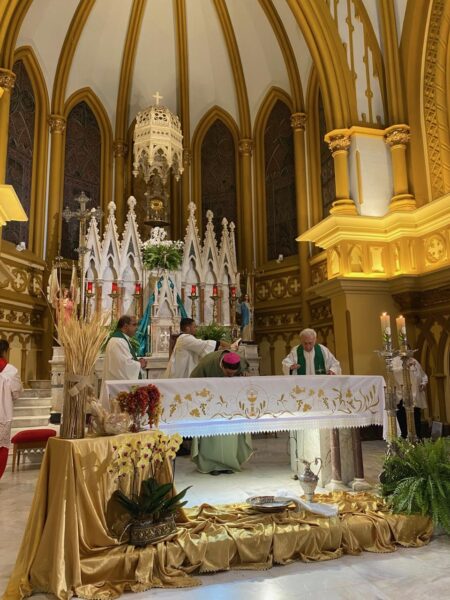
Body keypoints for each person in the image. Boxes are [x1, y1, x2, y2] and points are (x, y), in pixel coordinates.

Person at [282, 328, 341, 478]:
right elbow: (285, 363)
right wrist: (290, 367)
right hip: (302, 395)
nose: (308, 346)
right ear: (301, 341)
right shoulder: (296, 351)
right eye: (305, 343)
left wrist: (332, 371)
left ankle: (319, 453)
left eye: (310, 343)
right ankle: (300, 459)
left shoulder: (323, 350)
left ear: (315, 340)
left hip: (320, 394)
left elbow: (335, 364)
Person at [190, 350, 253, 475]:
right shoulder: (206, 364)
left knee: (230, 434)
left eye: (233, 374)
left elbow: (246, 373)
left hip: (231, 403)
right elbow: (193, 382)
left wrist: (244, 375)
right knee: (213, 435)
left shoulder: (241, 362)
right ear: (222, 366)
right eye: (228, 373)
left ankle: (230, 463)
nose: (230, 377)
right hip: (210, 403)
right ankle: (211, 465)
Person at [163, 317, 230, 379]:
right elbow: (204, 345)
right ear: (187, 328)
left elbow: (201, 350)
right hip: (180, 375)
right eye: (194, 327)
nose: (196, 329)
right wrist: (222, 343)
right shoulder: (185, 338)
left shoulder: (184, 338)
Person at [102, 315, 146, 390]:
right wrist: (139, 364)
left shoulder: (121, 339)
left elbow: (123, 361)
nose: (137, 328)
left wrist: (137, 362)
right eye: (134, 325)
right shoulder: (118, 341)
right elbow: (124, 365)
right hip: (118, 388)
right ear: (125, 326)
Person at [0, 339, 23, 478]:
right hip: (3, 414)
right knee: (2, 448)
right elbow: (16, 393)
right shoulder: (11, 371)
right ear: (5, 351)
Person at [392, 355, 428, 438]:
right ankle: (404, 438)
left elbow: (422, 374)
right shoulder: (395, 361)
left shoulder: (414, 360)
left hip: (415, 395)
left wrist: (423, 383)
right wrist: (405, 366)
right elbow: (393, 373)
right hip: (402, 395)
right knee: (403, 417)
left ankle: (417, 437)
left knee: (416, 417)